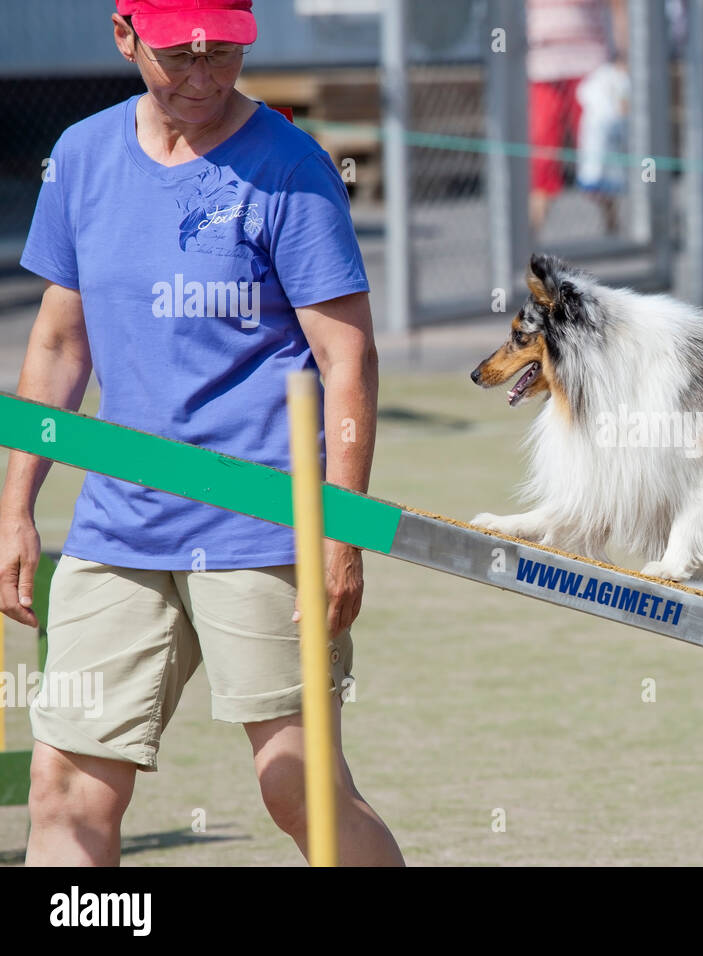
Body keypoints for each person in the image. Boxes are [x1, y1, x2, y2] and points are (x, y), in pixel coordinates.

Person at [0, 0, 403, 866]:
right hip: (118, 526)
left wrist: (339, 527)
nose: (204, 76)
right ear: (125, 36)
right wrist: (16, 505)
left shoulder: (292, 169)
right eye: (180, 55)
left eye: (223, 53)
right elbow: (60, 342)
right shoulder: (80, 156)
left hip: (259, 521)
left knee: (302, 791)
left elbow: (348, 361)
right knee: (62, 794)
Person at [525, 0, 627, 235]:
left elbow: (618, 8)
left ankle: (613, 227)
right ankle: (531, 236)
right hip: (542, 67)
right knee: (542, 153)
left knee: (597, 153)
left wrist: (622, 57)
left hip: (589, 67)